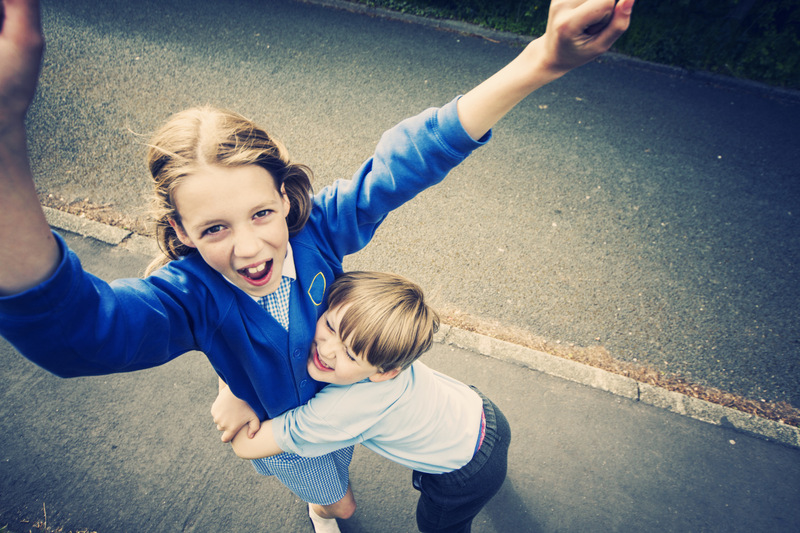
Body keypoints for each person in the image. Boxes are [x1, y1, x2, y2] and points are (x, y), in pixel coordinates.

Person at [0, 0, 633, 531]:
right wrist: (5, 134)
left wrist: (540, 61)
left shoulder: (317, 231)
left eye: (260, 214)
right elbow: (82, 334)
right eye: (214, 229)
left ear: (284, 198)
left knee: (340, 447)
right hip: (288, 424)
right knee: (335, 495)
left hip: (339, 402)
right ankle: (330, 509)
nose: (249, 249)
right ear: (180, 233)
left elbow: (405, 163)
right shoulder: (185, 298)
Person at [231, 271, 511, 533]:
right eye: (329, 325)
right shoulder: (382, 353)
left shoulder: (342, 409)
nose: (326, 350)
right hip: (481, 411)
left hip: (466, 473)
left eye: (351, 355)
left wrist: (233, 395)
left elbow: (247, 445)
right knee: (495, 472)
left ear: (385, 374)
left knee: (436, 524)